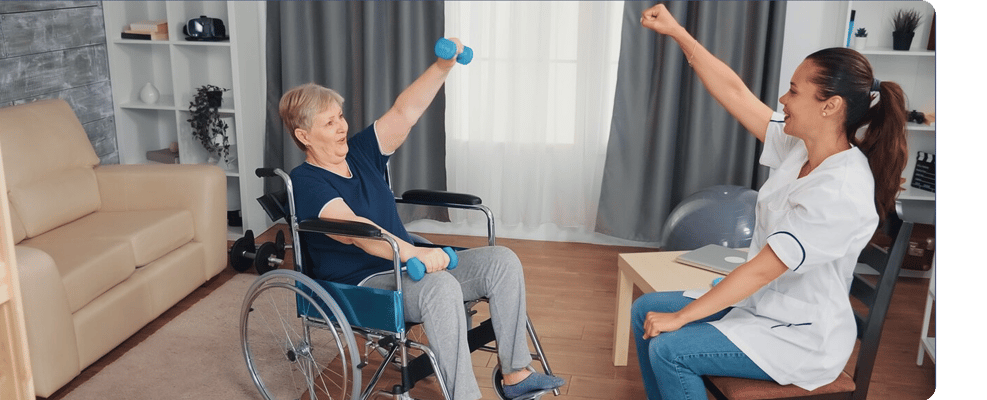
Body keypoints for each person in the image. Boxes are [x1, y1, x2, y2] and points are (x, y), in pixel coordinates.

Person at [631, 4, 908, 399]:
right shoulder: (801, 147)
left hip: (801, 337)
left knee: (671, 348)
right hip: (768, 306)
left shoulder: (841, 189)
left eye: (794, 91)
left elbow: (763, 270)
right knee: (646, 310)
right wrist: (679, 33)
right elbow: (735, 93)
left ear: (831, 106)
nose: (783, 99)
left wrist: (682, 317)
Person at [277, 38, 564, 400]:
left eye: (340, 117)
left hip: (405, 266)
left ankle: (516, 376)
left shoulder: (361, 152)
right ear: (304, 136)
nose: (341, 127)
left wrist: (443, 67)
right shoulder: (306, 182)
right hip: (362, 284)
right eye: (329, 122)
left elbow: (405, 112)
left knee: (502, 261)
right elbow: (357, 233)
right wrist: (414, 254)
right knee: (441, 285)